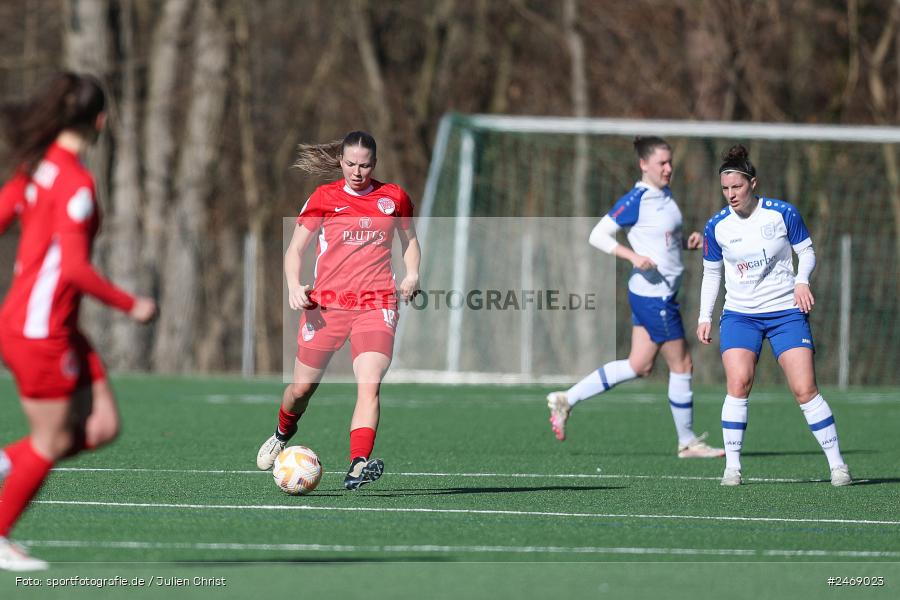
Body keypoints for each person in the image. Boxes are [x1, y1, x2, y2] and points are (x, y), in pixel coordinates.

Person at [0, 72, 157, 571]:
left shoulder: (37, 166)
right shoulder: (77, 183)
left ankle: (8, 463)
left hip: (52, 327)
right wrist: (130, 304)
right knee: (51, 441)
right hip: (39, 331)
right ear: (100, 121)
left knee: (103, 426)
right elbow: (73, 269)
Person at [255, 131, 420, 490]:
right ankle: (283, 432)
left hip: (376, 304)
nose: (357, 172)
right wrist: (294, 286)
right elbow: (295, 250)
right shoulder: (324, 198)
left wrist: (412, 274)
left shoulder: (394, 198)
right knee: (301, 389)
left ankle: (358, 464)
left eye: (364, 165)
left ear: (374, 164)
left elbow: (409, 242)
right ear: (341, 162)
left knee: (369, 385)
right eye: (350, 164)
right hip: (326, 306)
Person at [547, 136, 724, 459]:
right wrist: (632, 256)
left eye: (670, 162)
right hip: (654, 296)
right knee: (682, 364)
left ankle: (566, 399)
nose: (669, 168)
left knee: (639, 364)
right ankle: (687, 442)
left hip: (654, 294)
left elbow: (663, 238)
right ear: (644, 165)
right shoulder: (636, 199)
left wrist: (686, 242)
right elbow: (597, 234)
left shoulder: (664, 195)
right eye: (662, 163)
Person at [697, 145, 851, 487]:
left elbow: (806, 252)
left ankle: (838, 465)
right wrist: (704, 315)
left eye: (736, 187)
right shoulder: (716, 227)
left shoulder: (782, 213)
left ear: (753, 183)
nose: (731, 194)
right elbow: (711, 273)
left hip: (785, 313)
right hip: (740, 316)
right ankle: (732, 468)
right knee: (738, 383)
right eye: (725, 188)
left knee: (804, 389)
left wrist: (800, 281)